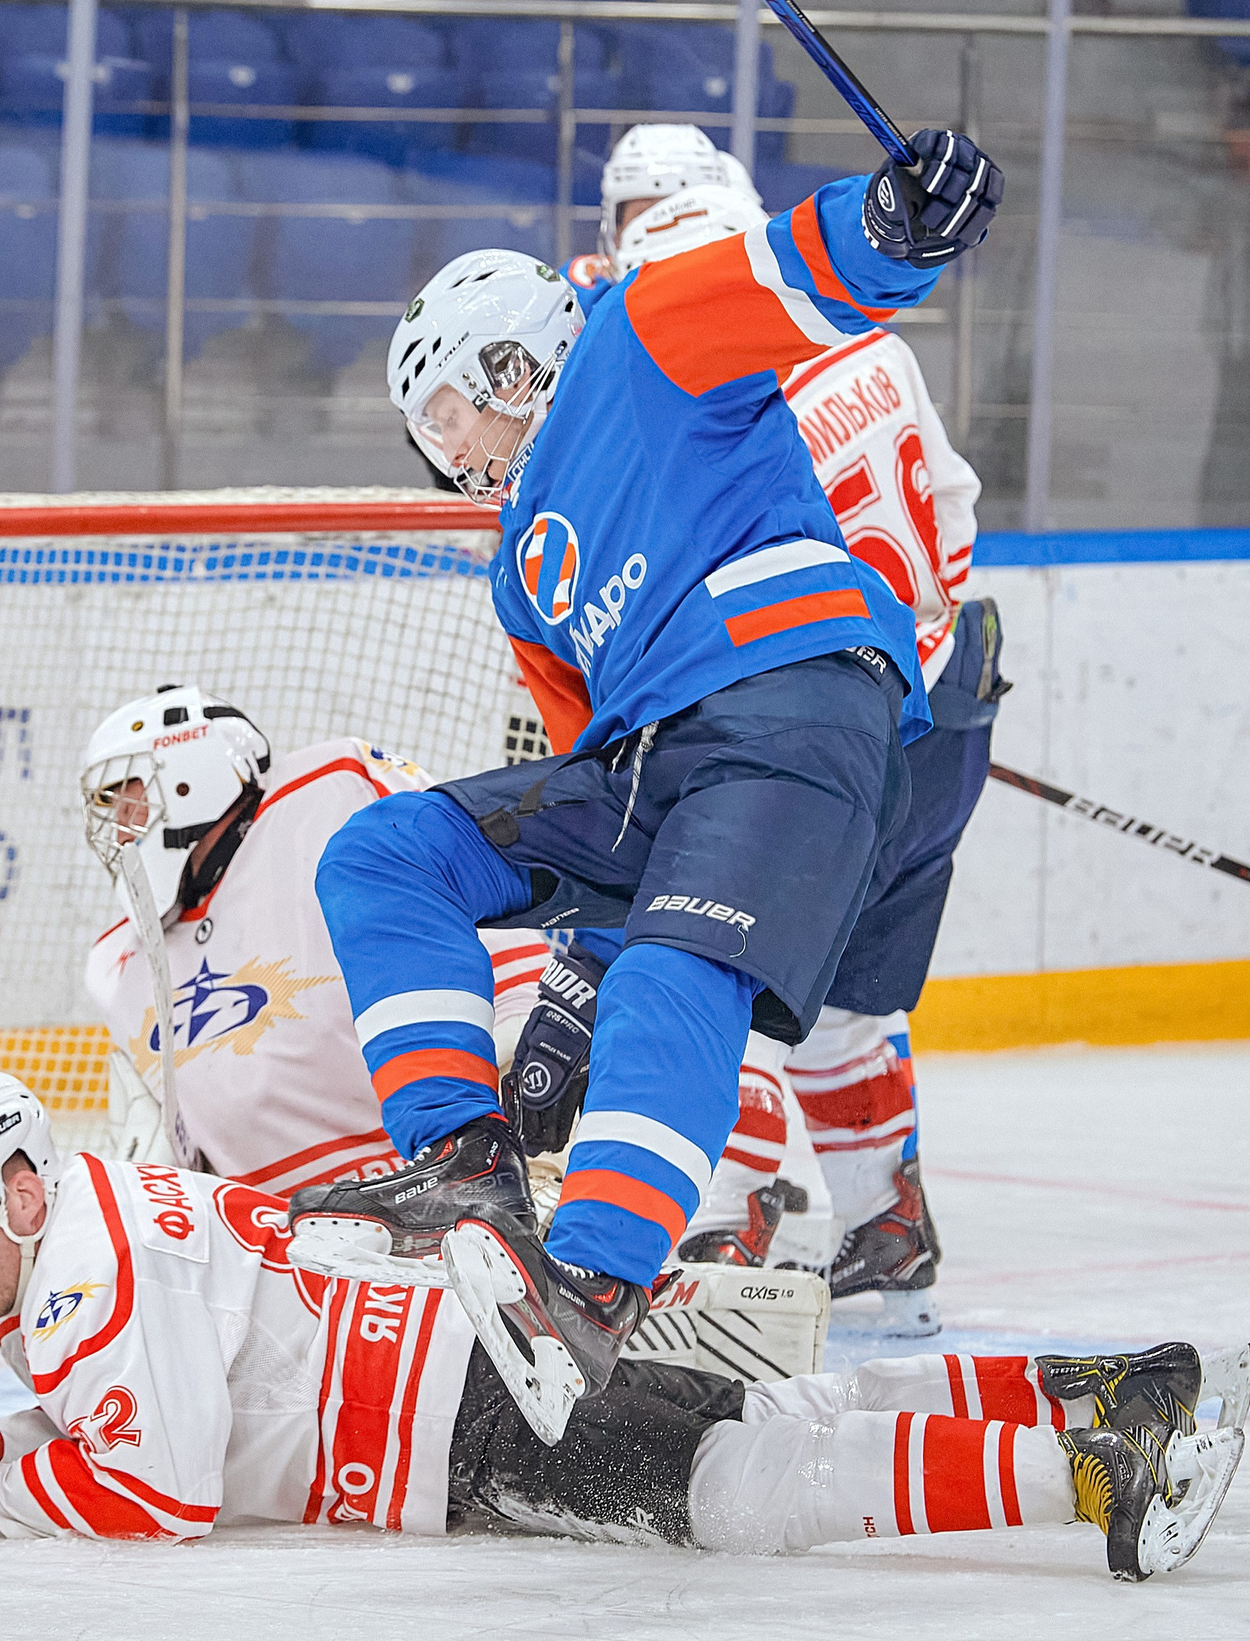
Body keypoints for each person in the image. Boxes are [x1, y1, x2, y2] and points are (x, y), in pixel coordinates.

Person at [280, 125, 1006, 1439]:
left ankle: (596, 1280)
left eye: (446, 416)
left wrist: (899, 217)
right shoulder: (520, 570)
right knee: (382, 852)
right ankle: (464, 1162)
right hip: (655, 764)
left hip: (790, 696)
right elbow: (586, 781)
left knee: (681, 968)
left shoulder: (633, 335)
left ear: (510, 362)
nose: (447, 457)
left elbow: (810, 273)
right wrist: (571, 976)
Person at [0, 1072, 1250, 1585]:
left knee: (751, 1492)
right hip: (487, 1335)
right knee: (786, 1415)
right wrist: (6, 1434)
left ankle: (1101, 1471)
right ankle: (1106, 1388)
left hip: (453, 1426)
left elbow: (163, 1489)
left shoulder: (78, 1277)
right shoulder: (101, 1203)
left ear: (11, 1183)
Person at [507, 147, 1008, 1334]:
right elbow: (954, 512)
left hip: (802, 729)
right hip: (938, 700)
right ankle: (886, 1215)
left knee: (706, 952)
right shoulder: (876, 352)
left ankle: (734, 1224)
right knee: (847, 1000)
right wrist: (918, 669)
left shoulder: (708, 390)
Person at [76, 685, 550, 1194]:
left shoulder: (329, 794)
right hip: (291, 1241)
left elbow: (470, 900)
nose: (120, 832)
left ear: (189, 778)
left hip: (451, 1172)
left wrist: (529, 1037)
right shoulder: (118, 966)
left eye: (129, 800)